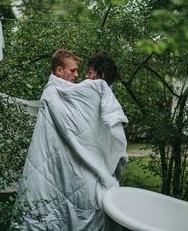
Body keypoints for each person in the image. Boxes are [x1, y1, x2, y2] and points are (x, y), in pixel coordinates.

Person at [12, 49, 128, 231]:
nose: (80, 76)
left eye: (88, 72)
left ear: (101, 76)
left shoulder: (95, 92)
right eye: (73, 71)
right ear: (59, 71)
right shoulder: (55, 93)